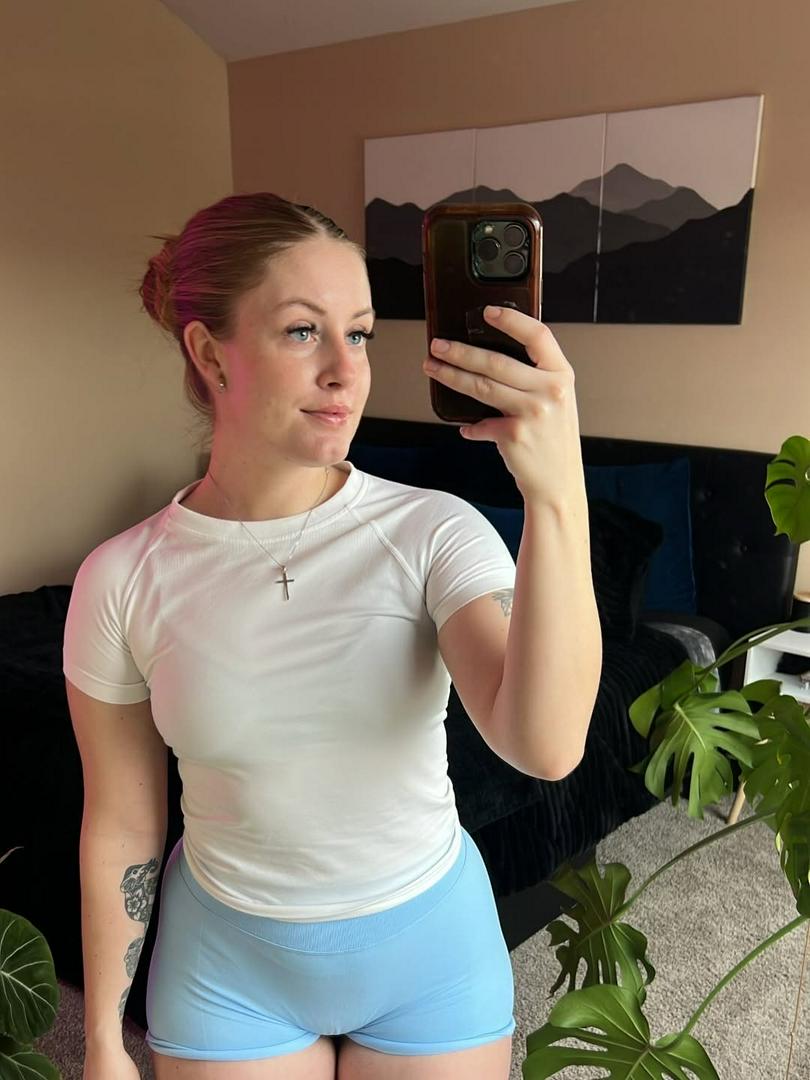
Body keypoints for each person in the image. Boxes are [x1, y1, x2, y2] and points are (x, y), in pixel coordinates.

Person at [64, 192, 601, 1080]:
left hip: (429, 954)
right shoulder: (120, 578)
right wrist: (100, 1039)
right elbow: (121, 821)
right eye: (303, 331)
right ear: (209, 352)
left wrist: (557, 492)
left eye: (359, 334)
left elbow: (544, 746)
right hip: (227, 969)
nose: (347, 372)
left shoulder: (434, 532)